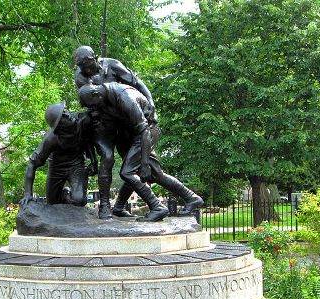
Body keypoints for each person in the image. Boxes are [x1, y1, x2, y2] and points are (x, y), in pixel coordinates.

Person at [78, 82, 203, 222]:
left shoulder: (124, 97)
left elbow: (144, 131)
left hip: (145, 134)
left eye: (92, 105)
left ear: (96, 95)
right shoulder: (107, 95)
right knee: (155, 174)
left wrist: (144, 163)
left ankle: (157, 207)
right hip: (136, 135)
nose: (94, 108)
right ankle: (191, 198)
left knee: (128, 172)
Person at [73, 45, 156, 219]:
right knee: (108, 157)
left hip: (126, 119)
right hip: (102, 122)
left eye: (88, 63)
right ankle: (104, 205)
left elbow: (137, 82)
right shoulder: (81, 76)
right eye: (82, 65)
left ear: (94, 57)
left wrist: (150, 101)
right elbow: (90, 99)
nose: (86, 69)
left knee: (130, 165)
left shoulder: (112, 65)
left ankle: (119, 206)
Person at [20, 101, 97, 207]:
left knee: (78, 200)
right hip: (57, 168)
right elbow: (32, 164)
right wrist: (28, 194)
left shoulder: (82, 120)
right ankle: (65, 194)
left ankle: (77, 199)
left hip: (77, 165)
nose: (67, 115)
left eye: (65, 111)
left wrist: (94, 161)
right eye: (63, 117)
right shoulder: (50, 139)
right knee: (52, 203)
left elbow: (88, 140)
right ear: (59, 128)